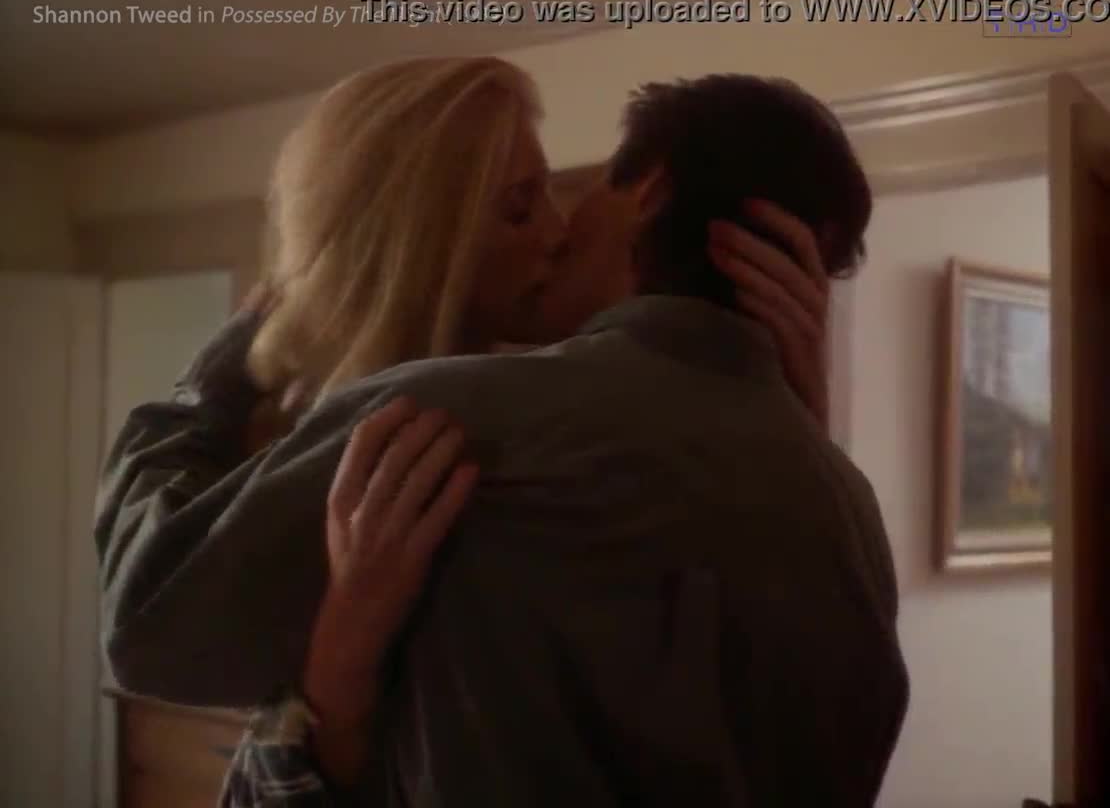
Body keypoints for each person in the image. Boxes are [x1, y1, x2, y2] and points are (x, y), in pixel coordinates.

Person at [139, 71, 908, 805]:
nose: (559, 226)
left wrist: (213, 377)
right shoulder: (849, 507)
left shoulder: (442, 420)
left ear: (651, 191)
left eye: (581, 187)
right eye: (518, 207)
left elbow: (146, 627)